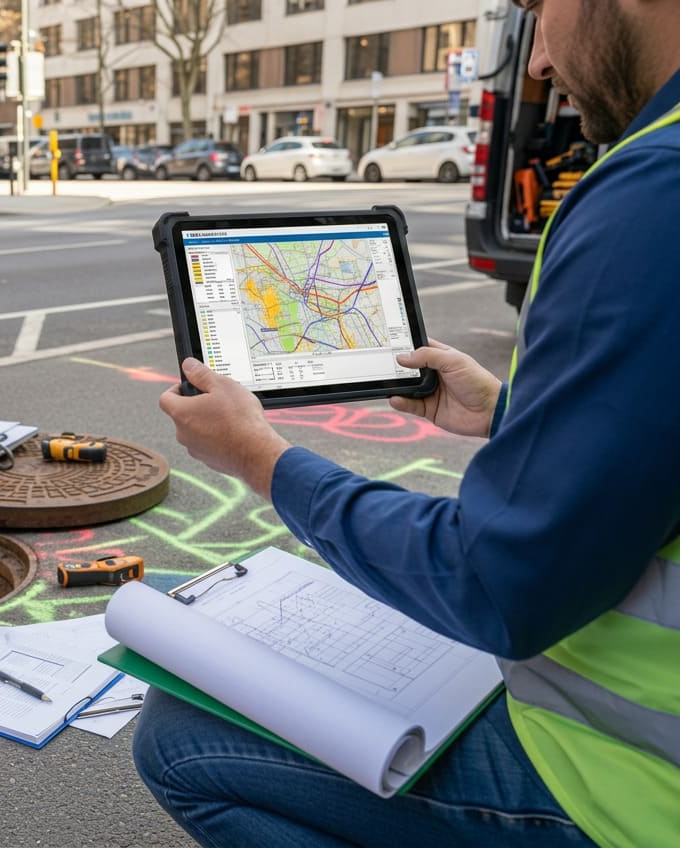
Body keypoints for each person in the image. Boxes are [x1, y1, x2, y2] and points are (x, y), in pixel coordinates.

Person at [139, 0, 680, 845]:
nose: (538, 61)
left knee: (179, 741)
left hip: (629, 787)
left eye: (542, 10)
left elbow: (496, 586)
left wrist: (264, 461)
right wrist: (511, 416)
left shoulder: (655, 192)